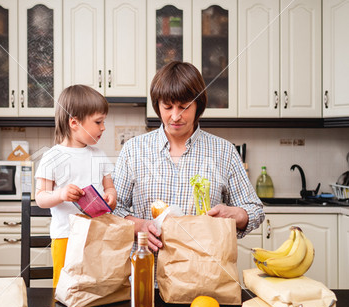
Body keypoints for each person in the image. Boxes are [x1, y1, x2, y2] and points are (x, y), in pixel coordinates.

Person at [113, 61, 264, 269]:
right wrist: (138, 225)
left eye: (184, 107)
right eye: (167, 107)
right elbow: (113, 209)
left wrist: (235, 214)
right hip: (148, 279)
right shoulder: (133, 150)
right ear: (157, 105)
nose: (175, 116)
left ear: (198, 105)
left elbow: (255, 210)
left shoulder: (224, 151)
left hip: (204, 276)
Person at [35, 85, 117, 288]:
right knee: (65, 288)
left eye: (103, 121)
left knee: (95, 286)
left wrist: (110, 196)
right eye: (98, 122)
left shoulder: (99, 155)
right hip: (65, 237)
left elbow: (110, 188)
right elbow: (40, 198)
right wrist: (61, 194)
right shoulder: (52, 157)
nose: (103, 127)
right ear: (74, 122)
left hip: (97, 236)